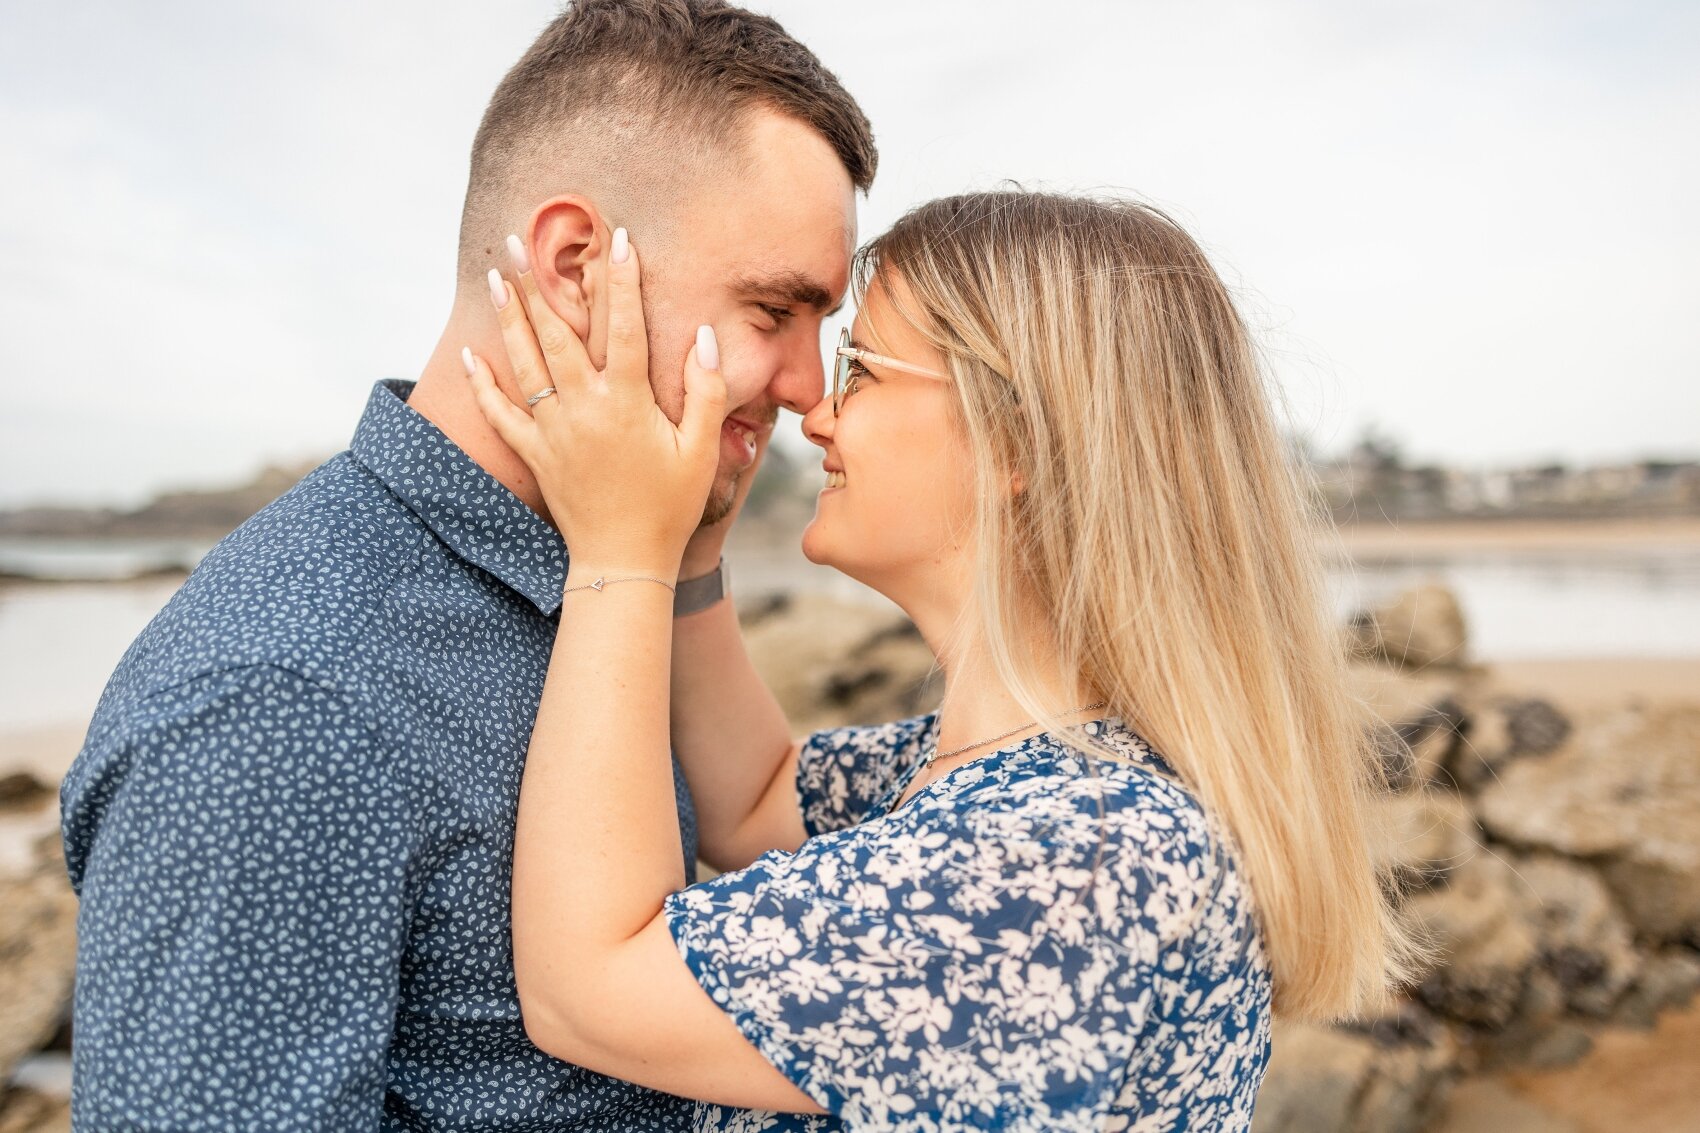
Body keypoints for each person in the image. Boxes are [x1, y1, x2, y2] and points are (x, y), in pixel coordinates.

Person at [57, 2, 874, 1128]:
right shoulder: (281, 702)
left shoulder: (609, 578)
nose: (804, 387)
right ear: (576, 262)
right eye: (774, 310)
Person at [465, 189, 1428, 1131]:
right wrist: (695, 541)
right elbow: (756, 799)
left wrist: (619, 551)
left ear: (1016, 434)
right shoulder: (1047, 769)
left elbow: (587, 989)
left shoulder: (1077, 860)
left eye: (863, 371)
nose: (816, 414)